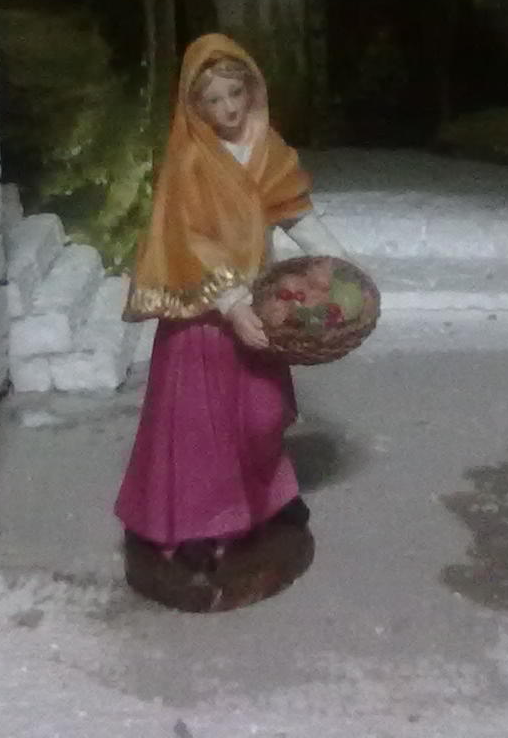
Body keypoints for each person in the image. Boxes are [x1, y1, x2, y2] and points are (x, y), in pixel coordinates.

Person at [116, 33, 346, 607]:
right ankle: (197, 522)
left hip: (260, 311)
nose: (228, 110)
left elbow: (295, 213)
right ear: (195, 106)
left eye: (235, 95)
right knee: (202, 426)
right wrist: (234, 304)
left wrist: (338, 262)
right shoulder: (191, 162)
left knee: (262, 413)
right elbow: (192, 242)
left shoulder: (266, 148)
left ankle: (269, 497)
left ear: (251, 90)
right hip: (206, 318)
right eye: (213, 101)